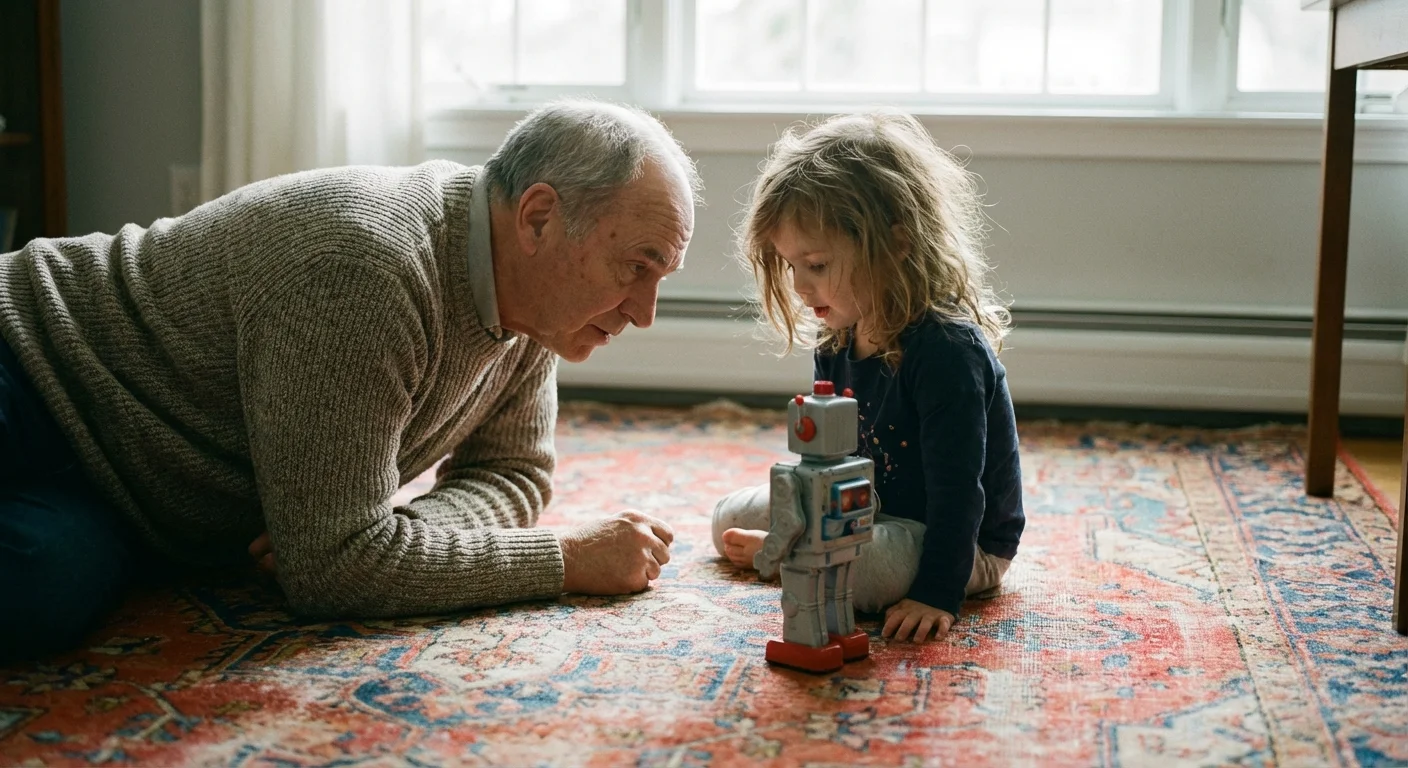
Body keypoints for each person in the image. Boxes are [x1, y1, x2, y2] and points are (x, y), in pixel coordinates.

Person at [0, 99, 699, 663]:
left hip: (120, 486)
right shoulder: (366, 269)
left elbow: (512, 475)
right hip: (26, 363)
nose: (643, 313)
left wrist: (404, 539)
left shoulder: (534, 306)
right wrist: (565, 559)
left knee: (37, 590)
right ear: (539, 218)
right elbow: (333, 569)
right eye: (636, 267)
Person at [711, 111, 1025, 644]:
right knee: (727, 519)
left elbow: (960, 496)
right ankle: (798, 547)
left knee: (842, 576)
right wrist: (802, 509)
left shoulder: (947, 352)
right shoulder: (838, 335)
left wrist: (936, 594)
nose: (801, 288)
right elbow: (829, 459)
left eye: (816, 264)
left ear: (896, 245)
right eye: (791, 267)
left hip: (955, 541)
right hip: (865, 507)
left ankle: (797, 551)